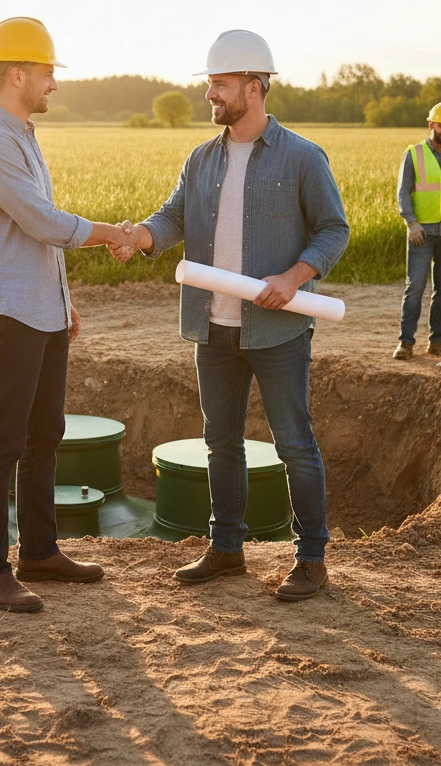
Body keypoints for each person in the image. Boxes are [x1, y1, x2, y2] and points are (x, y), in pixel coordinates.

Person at [113, 30, 349, 601]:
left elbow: (333, 229)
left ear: (253, 86)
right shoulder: (201, 159)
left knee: (295, 444)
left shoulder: (301, 157)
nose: (210, 95)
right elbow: (172, 218)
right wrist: (139, 237)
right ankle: (226, 549)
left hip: (278, 330)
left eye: (219, 85)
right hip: (213, 327)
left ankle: (312, 559)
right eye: (210, 85)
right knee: (221, 441)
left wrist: (293, 278)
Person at [0, 16, 134, 612]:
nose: (54, 82)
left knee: (45, 434)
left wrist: (63, 304)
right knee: (2, 441)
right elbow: (42, 223)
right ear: (17, 74)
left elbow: (32, 234)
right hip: (9, 314)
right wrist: (113, 232)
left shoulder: (23, 136)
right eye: (47, 72)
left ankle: (38, 551)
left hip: (42, 312)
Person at [393, 102, 441, 360]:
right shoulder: (414, 154)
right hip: (421, 233)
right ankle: (406, 343)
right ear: (431, 125)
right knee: (415, 287)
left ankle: (437, 341)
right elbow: (403, 191)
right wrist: (411, 223)